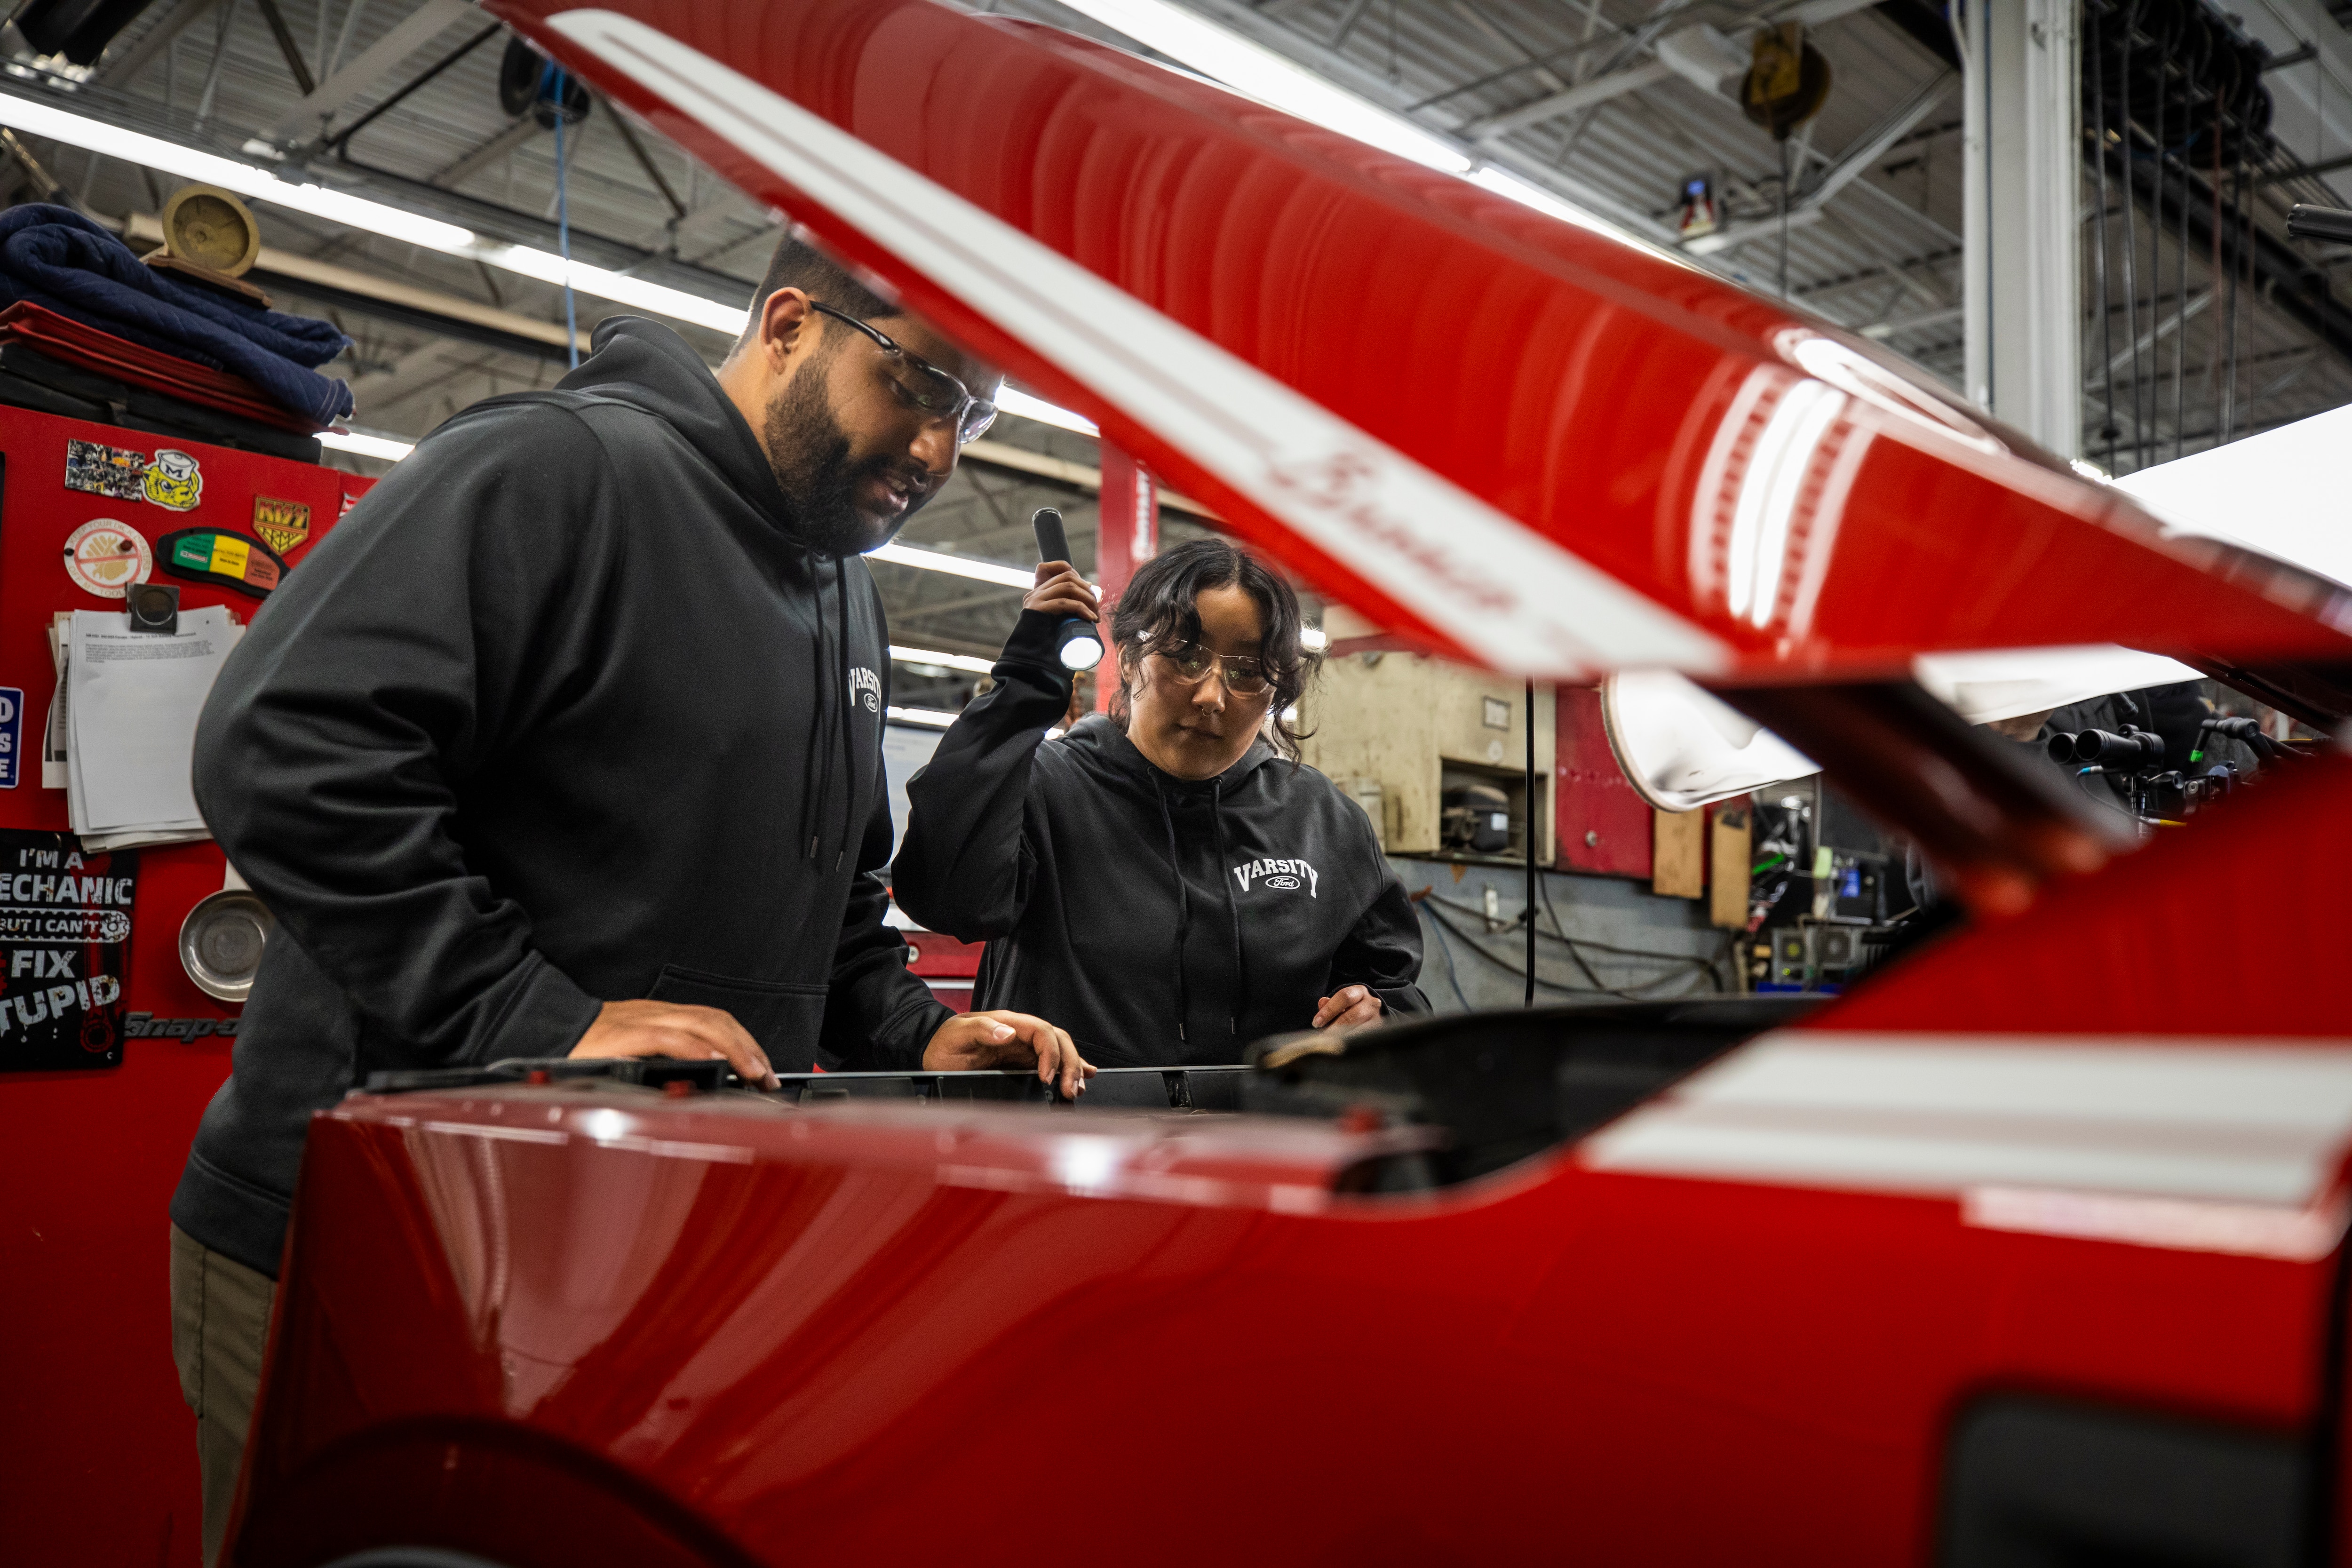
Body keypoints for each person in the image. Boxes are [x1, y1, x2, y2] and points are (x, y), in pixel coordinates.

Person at [166, 235, 1090, 1565]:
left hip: (635, 1266)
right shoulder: (554, 470)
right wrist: (537, 1018)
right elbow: (285, 745)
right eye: (920, 386)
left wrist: (915, 1035)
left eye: (976, 419)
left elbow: (833, 896)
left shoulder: (847, 594)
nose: (942, 450)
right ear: (789, 324)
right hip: (377, 1236)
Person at [893, 536, 1428, 1092]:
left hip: (1262, 1137)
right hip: (1068, 1134)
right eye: (1186, 658)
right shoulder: (1045, 787)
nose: (1211, 696)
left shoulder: (1323, 821)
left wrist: (1379, 1019)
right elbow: (944, 899)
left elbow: (1395, 992)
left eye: (1247, 672)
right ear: (1129, 659)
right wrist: (1020, 694)